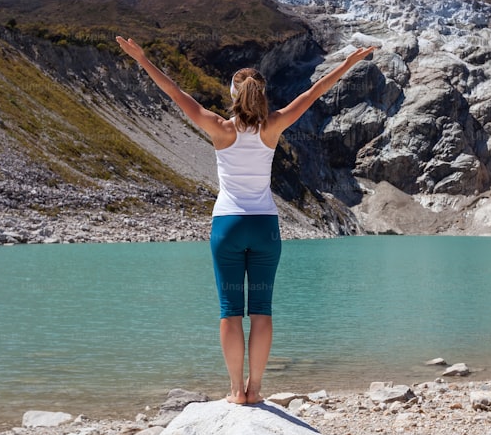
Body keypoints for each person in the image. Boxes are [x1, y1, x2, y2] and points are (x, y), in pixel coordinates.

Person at [116, 35, 376, 404]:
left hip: (228, 227)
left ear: (234, 94)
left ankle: (236, 391)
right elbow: (317, 90)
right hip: (265, 227)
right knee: (262, 312)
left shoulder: (219, 127)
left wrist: (142, 57)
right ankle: (256, 389)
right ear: (261, 93)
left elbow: (174, 92)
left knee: (230, 312)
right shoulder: (274, 125)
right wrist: (349, 63)